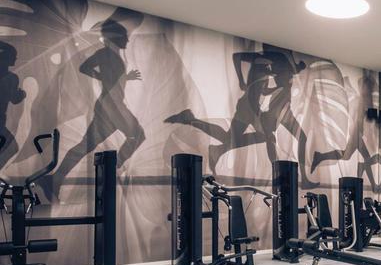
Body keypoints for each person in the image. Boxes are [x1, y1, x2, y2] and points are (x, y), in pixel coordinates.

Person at [165, 45, 316, 186]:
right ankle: (279, 176)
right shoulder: (263, 61)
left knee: (238, 138)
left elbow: (267, 86)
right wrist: (242, 82)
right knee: (263, 137)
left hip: (272, 107)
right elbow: (241, 62)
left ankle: (214, 146)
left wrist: (297, 69)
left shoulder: (277, 63)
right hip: (250, 106)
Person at [57, 19, 144, 182]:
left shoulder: (113, 56)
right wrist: (102, 77)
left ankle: (56, 177)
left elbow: (111, 79)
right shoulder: (105, 54)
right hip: (112, 106)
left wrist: (126, 77)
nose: (128, 39)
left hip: (110, 106)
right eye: (124, 36)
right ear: (116, 37)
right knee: (138, 134)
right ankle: (112, 168)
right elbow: (85, 67)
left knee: (85, 146)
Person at [0, 41, 25, 169]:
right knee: (12, 147)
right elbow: (15, 99)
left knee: (11, 147)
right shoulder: (11, 78)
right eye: (13, 55)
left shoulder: (11, 78)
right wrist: (23, 94)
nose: (15, 58)